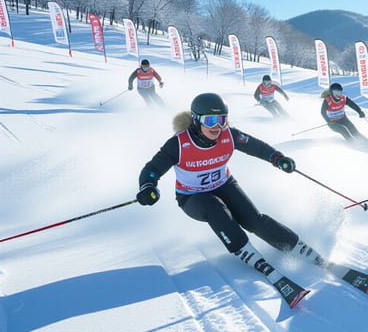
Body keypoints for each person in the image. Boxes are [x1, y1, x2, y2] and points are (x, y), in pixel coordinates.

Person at [135, 92, 330, 308]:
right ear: (196, 120)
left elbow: (257, 147)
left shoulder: (229, 135)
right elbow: (152, 169)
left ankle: (299, 248)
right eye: (210, 120)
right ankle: (249, 254)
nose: (217, 126)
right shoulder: (179, 144)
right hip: (192, 196)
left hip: (224, 185)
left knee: (255, 220)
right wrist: (148, 187)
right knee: (217, 210)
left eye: (221, 120)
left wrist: (277, 158)